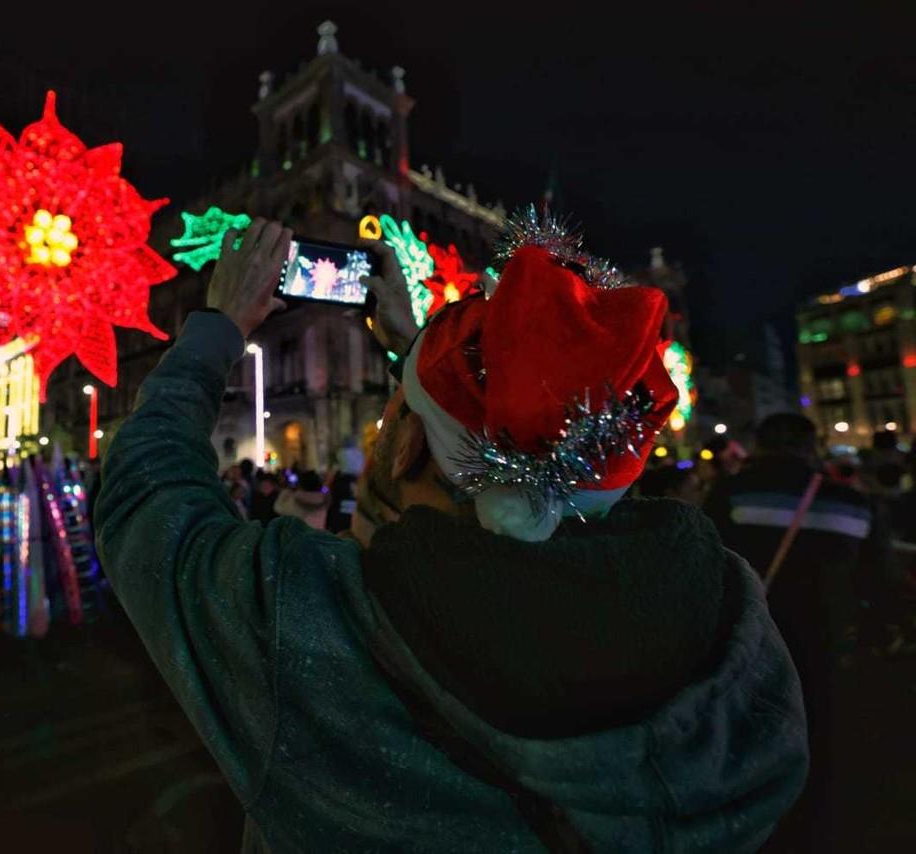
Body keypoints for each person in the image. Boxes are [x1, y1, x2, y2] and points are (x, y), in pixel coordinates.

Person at [95, 216, 807, 853]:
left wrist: (219, 324)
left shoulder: (311, 621)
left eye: (399, 415)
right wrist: (422, 352)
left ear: (403, 447)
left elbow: (142, 493)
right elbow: (507, 449)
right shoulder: (730, 624)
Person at [704, 412, 891, 851]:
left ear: (760, 446)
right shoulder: (852, 504)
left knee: (748, 734)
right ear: (812, 447)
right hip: (827, 645)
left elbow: (708, 563)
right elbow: (877, 580)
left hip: (749, 638)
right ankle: (811, 819)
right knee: (818, 734)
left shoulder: (731, 493)